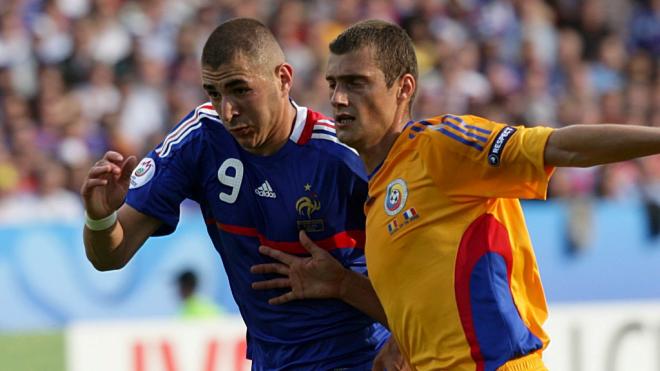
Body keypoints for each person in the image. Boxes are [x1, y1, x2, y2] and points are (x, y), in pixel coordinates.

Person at [254, 19, 660, 370]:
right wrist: (344, 286)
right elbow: (418, 316)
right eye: (333, 84)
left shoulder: (439, 145)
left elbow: (561, 146)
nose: (339, 98)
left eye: (356, 83)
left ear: (403, 88)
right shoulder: (376, 200)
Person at [80, 17, 394, 370]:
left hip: (359, 359)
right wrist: (100, 216)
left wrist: (351, 292)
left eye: (240, 90)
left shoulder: (343, 156)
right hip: (270, 361)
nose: (227, 111)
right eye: (214, 93)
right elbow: (110, 256)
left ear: (283, 79)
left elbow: (423, 277)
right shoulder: (200, 139)